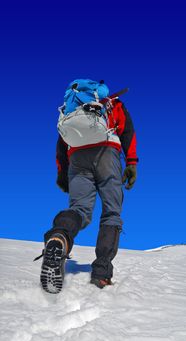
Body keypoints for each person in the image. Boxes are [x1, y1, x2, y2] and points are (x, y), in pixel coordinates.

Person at [37, 81, 138, 293]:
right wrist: (131, 163)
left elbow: (61, 145)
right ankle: (101, 274)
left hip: (77, 157)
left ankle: (59, 237)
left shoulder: (71, 110)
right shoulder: (111, 104)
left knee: (79, 210)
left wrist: (62, 175)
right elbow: (127, 131)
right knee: (111, 213)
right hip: (107, 153)